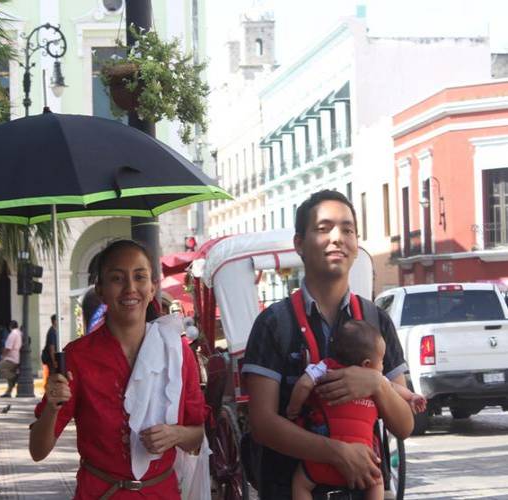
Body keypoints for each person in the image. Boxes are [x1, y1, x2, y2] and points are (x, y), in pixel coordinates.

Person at [242, 190, 414, 499]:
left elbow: (404, 426)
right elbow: (262, 424)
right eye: (324, 229)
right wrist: (335, 452)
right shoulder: (273, 324)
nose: (337, 238)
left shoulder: (377, 322)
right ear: (299, 244)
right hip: (290, 489)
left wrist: (377, 383)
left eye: (347, 229)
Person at [29, 240, 207, 499]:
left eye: (140, 277)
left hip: (162, 493)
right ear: (100, 290)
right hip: (101, 493)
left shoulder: (177, 352)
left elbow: (200, 435)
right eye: (117, 278)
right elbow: (38, 451)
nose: (130, 288)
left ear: (152, 287)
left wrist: (176, 434)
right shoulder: (77, 357)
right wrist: (52, 407)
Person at [287, 320, 425, 500]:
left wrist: (293, 409)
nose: (383, 366)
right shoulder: (375, 381)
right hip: (365, 462)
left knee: (300, 484)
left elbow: (304, 384)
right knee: (377, 482)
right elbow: (391, 387)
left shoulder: (325, 367)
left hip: (321, 458)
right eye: (382, 361)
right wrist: (411, 396)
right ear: (367, 364)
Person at [0, 320, 21, 398]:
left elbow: (8, 348)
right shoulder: (20, 333)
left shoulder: (12, 334)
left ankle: (16, 377)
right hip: (17, 357)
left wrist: (2, 356)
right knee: (9, 373)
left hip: (11, 358)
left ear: (10, 327)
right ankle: (8, 392)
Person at [41, 314, 58, 386]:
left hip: (50, 358)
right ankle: (49, 389)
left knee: (52, 375)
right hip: (50, 358)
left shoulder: (53, 331)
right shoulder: (52, 332)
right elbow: (52, 348)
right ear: (54, 321)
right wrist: (54, 361)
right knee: (52, 375)